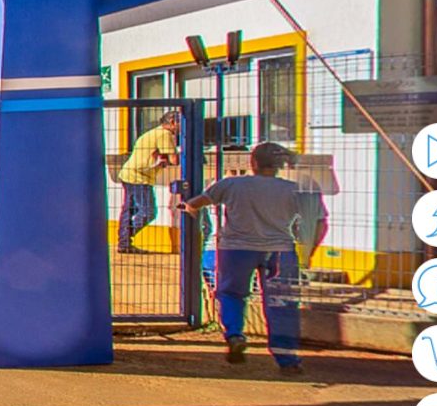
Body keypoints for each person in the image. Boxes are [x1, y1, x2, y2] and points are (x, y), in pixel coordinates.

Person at [178, 142, 322, 374]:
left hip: (236, 249)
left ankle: (235, 334)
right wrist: (308, 252)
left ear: (252, 162)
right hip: (280, 251)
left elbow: (197, 202)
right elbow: (320, 222)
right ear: (279, 165)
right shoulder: (293, 189)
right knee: (281, 303)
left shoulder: (231, 184)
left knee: (231, 294)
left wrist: (188, 208)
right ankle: (287, 359)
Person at [116, 111, 180, 255]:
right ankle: (126, 237)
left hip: (128, 173)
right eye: (180, 123)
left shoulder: (152, 132)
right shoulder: (165, 135)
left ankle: (124, 242)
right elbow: (174, 160)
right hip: (140, 177)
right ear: (172, 122)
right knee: (148, 212)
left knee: (129, 209)